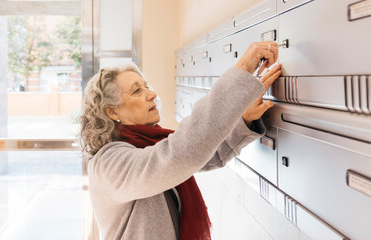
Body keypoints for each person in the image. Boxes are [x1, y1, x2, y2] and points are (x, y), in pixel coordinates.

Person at [79, 41, 282, 240]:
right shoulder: (107, 164)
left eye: (146, 86)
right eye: (137, 91)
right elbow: (180, 155)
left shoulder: (147, 143)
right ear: (112, 111)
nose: (152, 94)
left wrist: (244, 119)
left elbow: (206, 155)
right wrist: (242, 72)